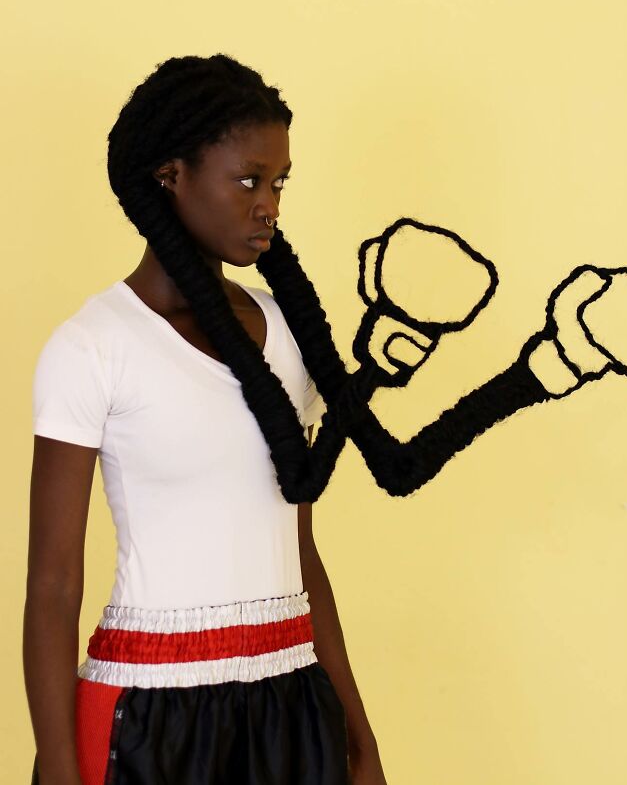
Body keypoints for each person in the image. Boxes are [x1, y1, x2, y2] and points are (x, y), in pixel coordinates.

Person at [24, 54, 388, 784]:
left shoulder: (287, 336)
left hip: (293, 704)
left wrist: (359, 735)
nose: (269, 206)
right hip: (150, 716)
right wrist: (61, 766)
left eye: (279, 183)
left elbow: (302, 551)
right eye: (248, 179)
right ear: (170, 176)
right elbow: (54, 584)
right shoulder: (95, 346)